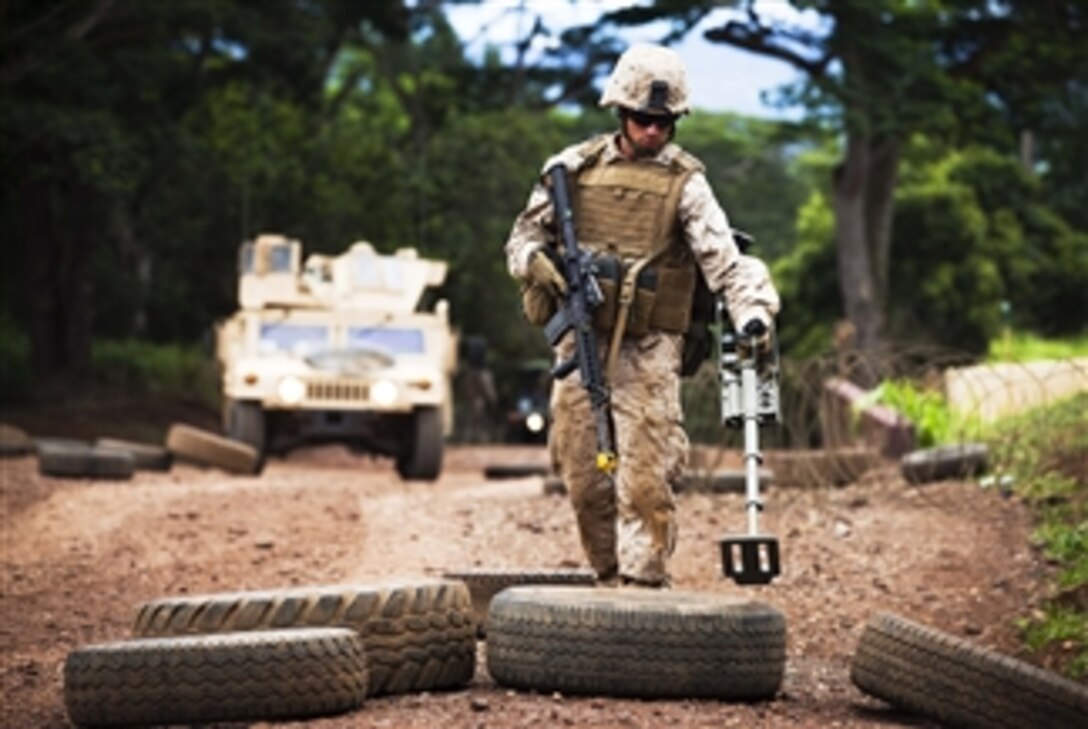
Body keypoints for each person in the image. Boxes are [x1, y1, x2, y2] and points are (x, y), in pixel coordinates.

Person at [504, 44, 781, 588]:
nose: (653, 131)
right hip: (580, 344)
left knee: (645, 480)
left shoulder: (687, 185)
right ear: (619, 113)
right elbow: (522, 237)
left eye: (664, 122)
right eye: (642, 119)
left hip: (650, 347)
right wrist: (536, 262)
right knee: (585, 480)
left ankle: (644, 586)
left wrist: (753, 315)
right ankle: (608, 580)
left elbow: (726, 262)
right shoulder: (570, 170)